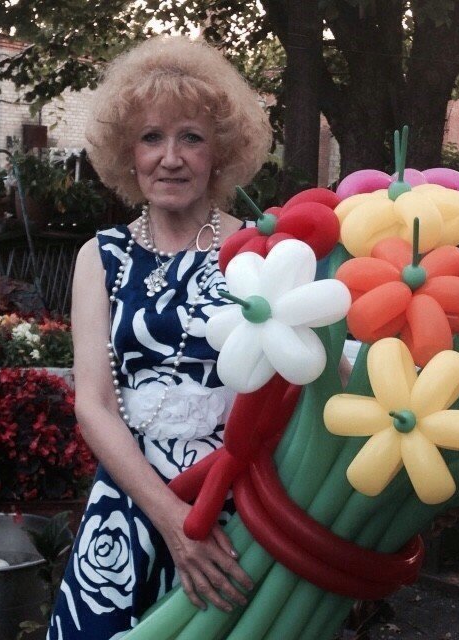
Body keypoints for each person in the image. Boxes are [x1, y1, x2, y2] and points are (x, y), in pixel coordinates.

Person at [47, 35, 272, 639]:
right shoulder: (101, 256)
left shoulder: (257, 250)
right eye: (151, 137)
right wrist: (172, 519)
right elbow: (93, 405)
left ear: (220, 151)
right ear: (128, 151)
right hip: (130, 504)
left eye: (191, 137)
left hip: (233, 509)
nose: (170, 158)